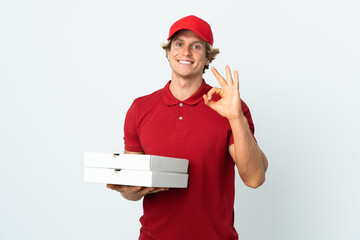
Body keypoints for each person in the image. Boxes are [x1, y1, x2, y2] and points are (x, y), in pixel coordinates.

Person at [106, 15, 268, 240]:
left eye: (196, 46)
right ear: (169, 52)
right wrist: (129, 191)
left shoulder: (230, 106)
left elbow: (254, 179)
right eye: (179, 44)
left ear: (208, 57)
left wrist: (236, 117)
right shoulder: (140, 108)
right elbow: (132, 189)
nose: (186, 52)